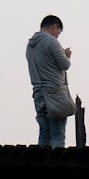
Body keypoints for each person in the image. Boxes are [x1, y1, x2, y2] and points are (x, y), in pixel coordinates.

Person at [26, 15, 72, 148]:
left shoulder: (30, 45)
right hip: (54, 94)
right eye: (58, 32)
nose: (57, 36)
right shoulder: (52, 42)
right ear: (54, 27)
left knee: (44, 136)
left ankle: (42, 165)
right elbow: (65, 65)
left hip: (38, 94)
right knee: (58, 134)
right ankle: (57, 165)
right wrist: (66, 56)